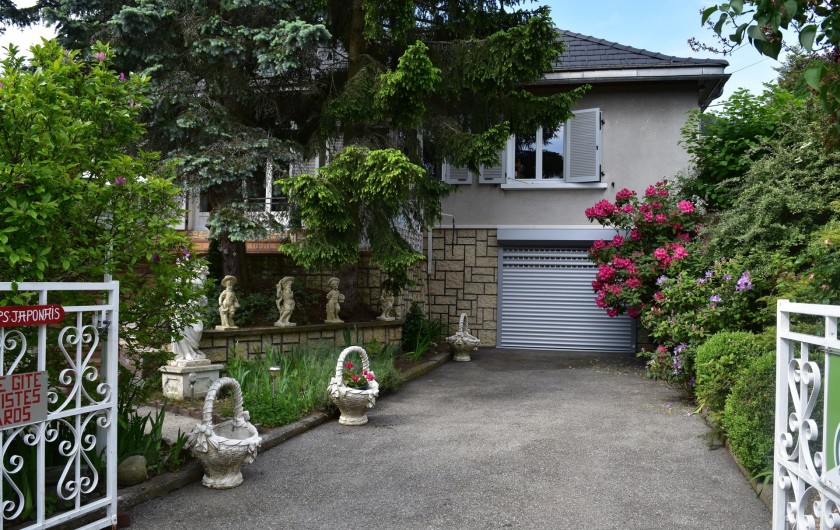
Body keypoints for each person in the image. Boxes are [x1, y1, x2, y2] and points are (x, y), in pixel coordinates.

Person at [172, 267, 209, 362]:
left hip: (194, 314)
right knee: (179, 328)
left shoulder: (198, 289)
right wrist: (185, 306)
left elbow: (204, 302)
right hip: (182, 315)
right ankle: (186, 353)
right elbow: (174, 304)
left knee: (198, 329)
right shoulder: (180, 288)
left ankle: (193, 350)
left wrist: (200, 301)